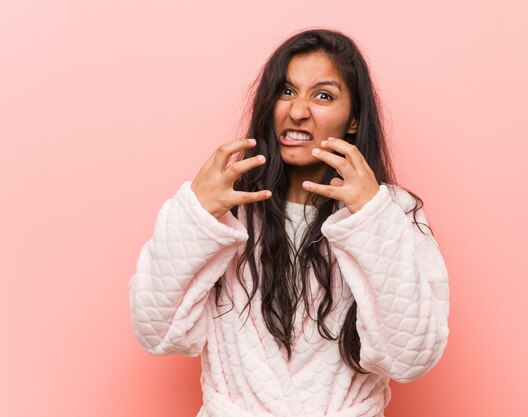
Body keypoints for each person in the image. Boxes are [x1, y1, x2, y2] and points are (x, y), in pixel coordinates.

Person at [129, 28, 450, 417]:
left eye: (323, 95)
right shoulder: (230, 208)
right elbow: (155, 332)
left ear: (353, 120)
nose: (297, 111)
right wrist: (195, 216)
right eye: (286, 90)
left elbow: (411, 357)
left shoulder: (390, 213)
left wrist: (370, 219)